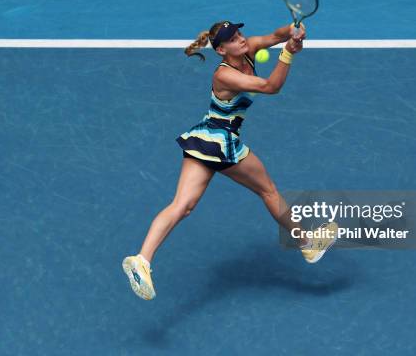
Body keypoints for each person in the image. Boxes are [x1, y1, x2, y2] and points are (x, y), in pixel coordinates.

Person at [123, 21, 338, 300]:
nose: (240, 39)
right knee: (268, 190)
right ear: (222, 50)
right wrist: (288, 54)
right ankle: (307, 244)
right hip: (223, 143)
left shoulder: (248, 48)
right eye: (232, 39)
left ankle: (142, 259)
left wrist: (294, 32)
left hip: (203, 139)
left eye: (239, 34)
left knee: (182, 206)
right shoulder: (224, 75)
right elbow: (271, 86)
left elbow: (275, 34)